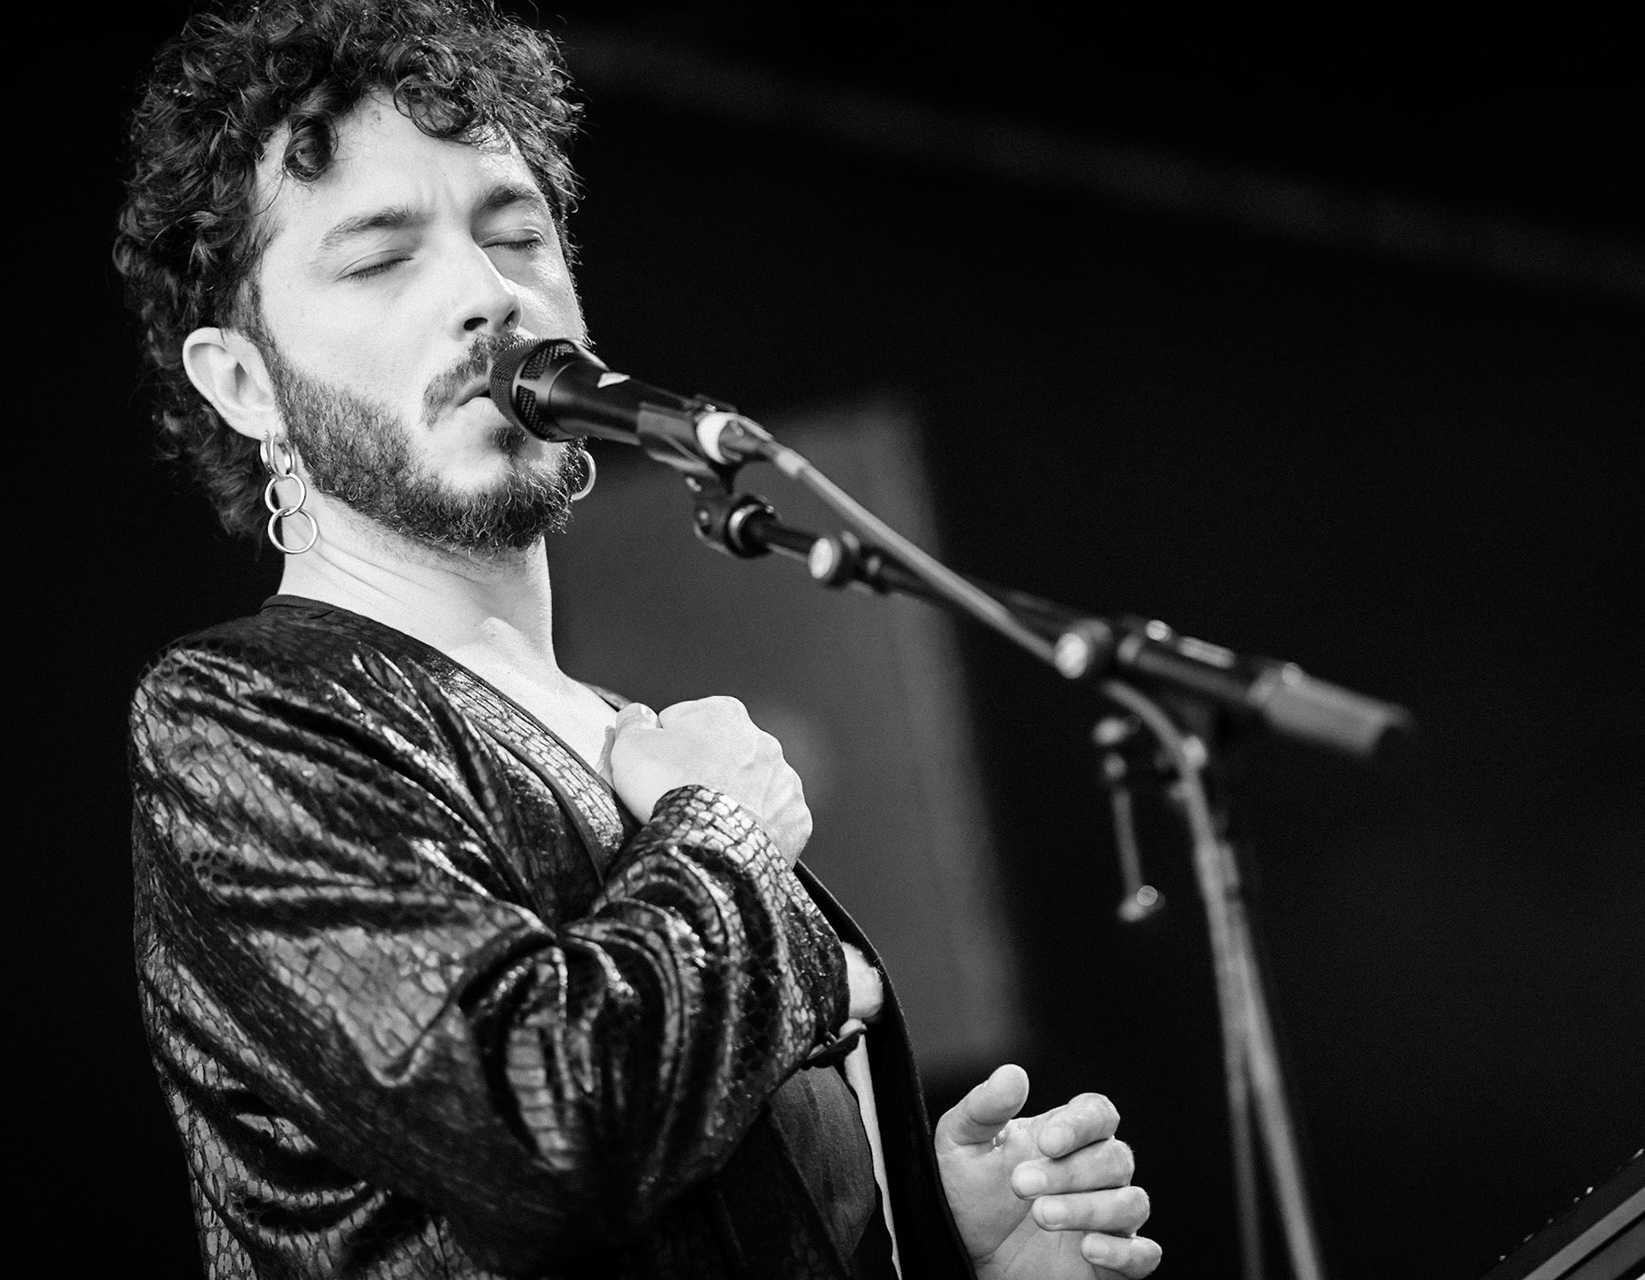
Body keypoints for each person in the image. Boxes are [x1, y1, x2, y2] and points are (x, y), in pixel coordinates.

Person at [116, 2, 1162, 1276]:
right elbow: (543, 1134)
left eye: (515, 234)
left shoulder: (621, 736)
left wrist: (919, 1243)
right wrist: (723, 833)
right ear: (244, 380)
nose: (487, 295)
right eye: (380, 257)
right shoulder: (243, 716)